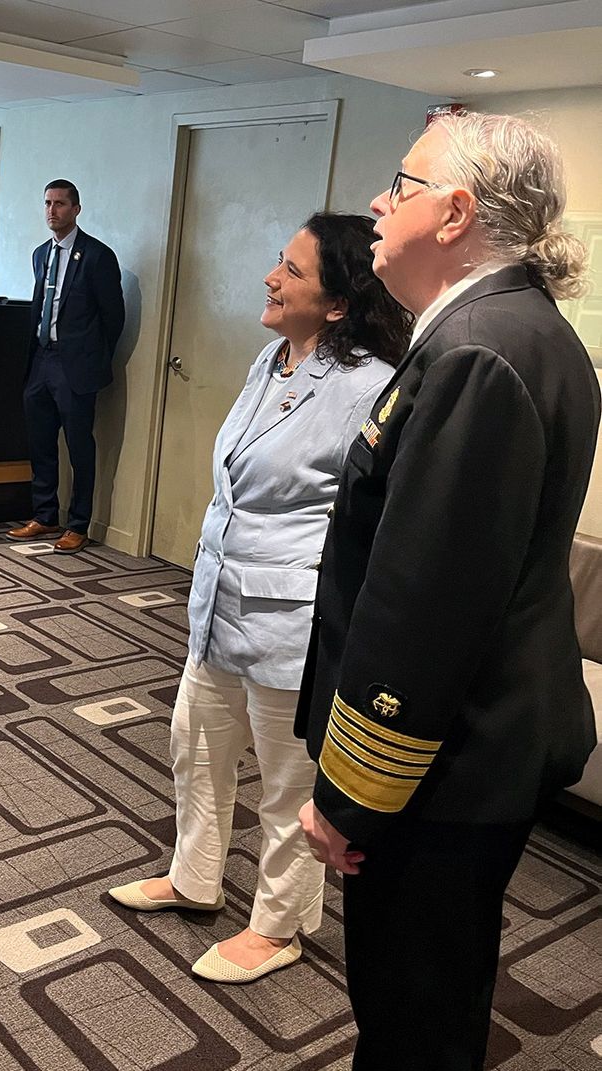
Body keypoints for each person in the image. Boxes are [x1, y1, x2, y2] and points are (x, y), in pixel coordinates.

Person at [297, 113, 600, 1071]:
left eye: (399, 182)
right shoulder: (510, 329)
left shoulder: (477, 349)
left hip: (438, 766)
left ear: (456, 212)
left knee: (411, 1016)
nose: (377, 205)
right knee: (429, 999)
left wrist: (350, 795)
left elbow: (420, 607)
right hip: (469, 748)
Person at [109, 213, 411, 982]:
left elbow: (366, 514)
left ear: (338, 303)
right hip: (220, 600)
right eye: (278, 262)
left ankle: (278, 926)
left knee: (288, 782)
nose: (271, 279)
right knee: (195, 748)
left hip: (293, 616)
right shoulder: (270, 360)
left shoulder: (369, 388)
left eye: (293, 271)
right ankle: (194, 878)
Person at [6, 179, 124, 554]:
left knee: (78, 447)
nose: (51, 211)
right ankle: (44, 515)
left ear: (76, 208)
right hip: (41, 360)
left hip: (75, 368)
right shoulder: (42, 253)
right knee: (41, 442)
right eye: (47, 203)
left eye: (59, 204)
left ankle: (78, 524)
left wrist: (92, 360)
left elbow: (113, 317)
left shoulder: (97, 256)